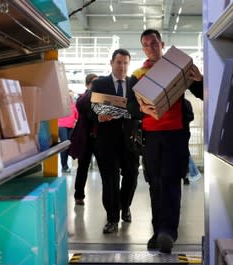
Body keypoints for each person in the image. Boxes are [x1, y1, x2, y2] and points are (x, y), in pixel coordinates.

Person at [129, 29, 203, 253]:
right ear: (142, 48)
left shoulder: (177, 69)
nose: (150, 48)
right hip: (151, 137)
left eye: (154, 43)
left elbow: (202, 93)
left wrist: (200, 80)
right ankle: (157, 231)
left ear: (162, 44)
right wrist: (141, 108)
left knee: (171, 183)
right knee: (155, 184)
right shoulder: (138, 73)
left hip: (175, 135)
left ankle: (168, 232)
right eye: (146, 45)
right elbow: (130, 107)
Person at [91, 48, 141, 234]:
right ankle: (112, 218)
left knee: (132, 176)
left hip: (130, 141)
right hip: (107, 142)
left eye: (125, 63)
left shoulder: (134, 83)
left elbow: (138, 109)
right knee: (109, 181)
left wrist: (119, 110)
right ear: (112, 63)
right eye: (119, 62)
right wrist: (99, 115)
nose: (122, 66)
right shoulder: (100, 83)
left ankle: (124, 206)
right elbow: (94, 107)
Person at [68, 73, 98, 206]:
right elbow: (81, 105)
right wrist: (92, 92)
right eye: (93, 82)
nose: (96, 85)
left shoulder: (101, 98)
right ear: (87, 84)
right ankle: (79, 195)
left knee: (105, 169)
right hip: (85, 139)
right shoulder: (83, 98)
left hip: (99, 139)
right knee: (83, 167)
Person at [58, 91, 78, 173]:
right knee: (64, 146)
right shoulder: (61, 105)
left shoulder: (74, 106)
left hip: (71, 127)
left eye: (72, 96)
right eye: (69, 96)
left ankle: (71, 165)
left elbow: (77, 117)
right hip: (61, 126)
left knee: (69, 146)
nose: (71, 97)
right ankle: (64, 166)